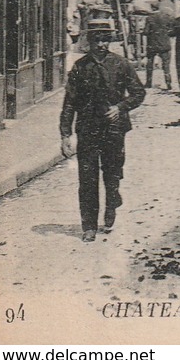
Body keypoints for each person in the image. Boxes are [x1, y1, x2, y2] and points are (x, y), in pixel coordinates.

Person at [60, 19, 145, 242]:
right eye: (96, 39)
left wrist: (120, 107)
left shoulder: (121, 64)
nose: (101, 44)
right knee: (87, 178)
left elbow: (138, 93)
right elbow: (69, 102)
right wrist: (65, 134)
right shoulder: (80, 67)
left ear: (110, 41)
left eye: (105, 40)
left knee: (112, 172)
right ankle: (89, 226)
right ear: (89, 41)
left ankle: (112, 204)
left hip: (114, 129)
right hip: (88, 129)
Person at [144, 0, 174, 90]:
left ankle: (148, 83)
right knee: (166, 65)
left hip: (152, 44)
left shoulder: (149, 18)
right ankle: (168, 83)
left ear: (152, 8)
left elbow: (146, 31)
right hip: (164, 44)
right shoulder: (166, 17)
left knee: (149, 64)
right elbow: (171, 30)